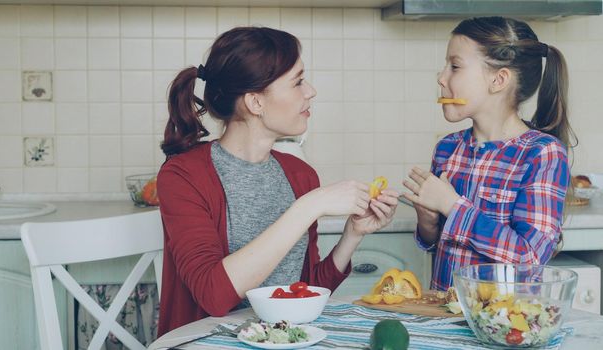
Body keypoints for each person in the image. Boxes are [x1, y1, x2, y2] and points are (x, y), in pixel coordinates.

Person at [156, 26, 399, 335]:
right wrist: (308, 207)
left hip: (285, 339)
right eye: (297, 82)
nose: (310, 91)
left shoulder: (300, 175)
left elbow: (306, 292)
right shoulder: (183, 177)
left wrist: (352, 235)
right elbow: (212, 295)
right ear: (256, 103)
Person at [402, 17, 575, 291]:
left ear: (499, 79)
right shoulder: (447, 148)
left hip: (505, 326)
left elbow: (529, 256)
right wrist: (428, 220)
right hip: (444, 317)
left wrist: (452, 206)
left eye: (455, 66)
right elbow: (435, 243)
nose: (441, 77)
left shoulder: (542, 153)